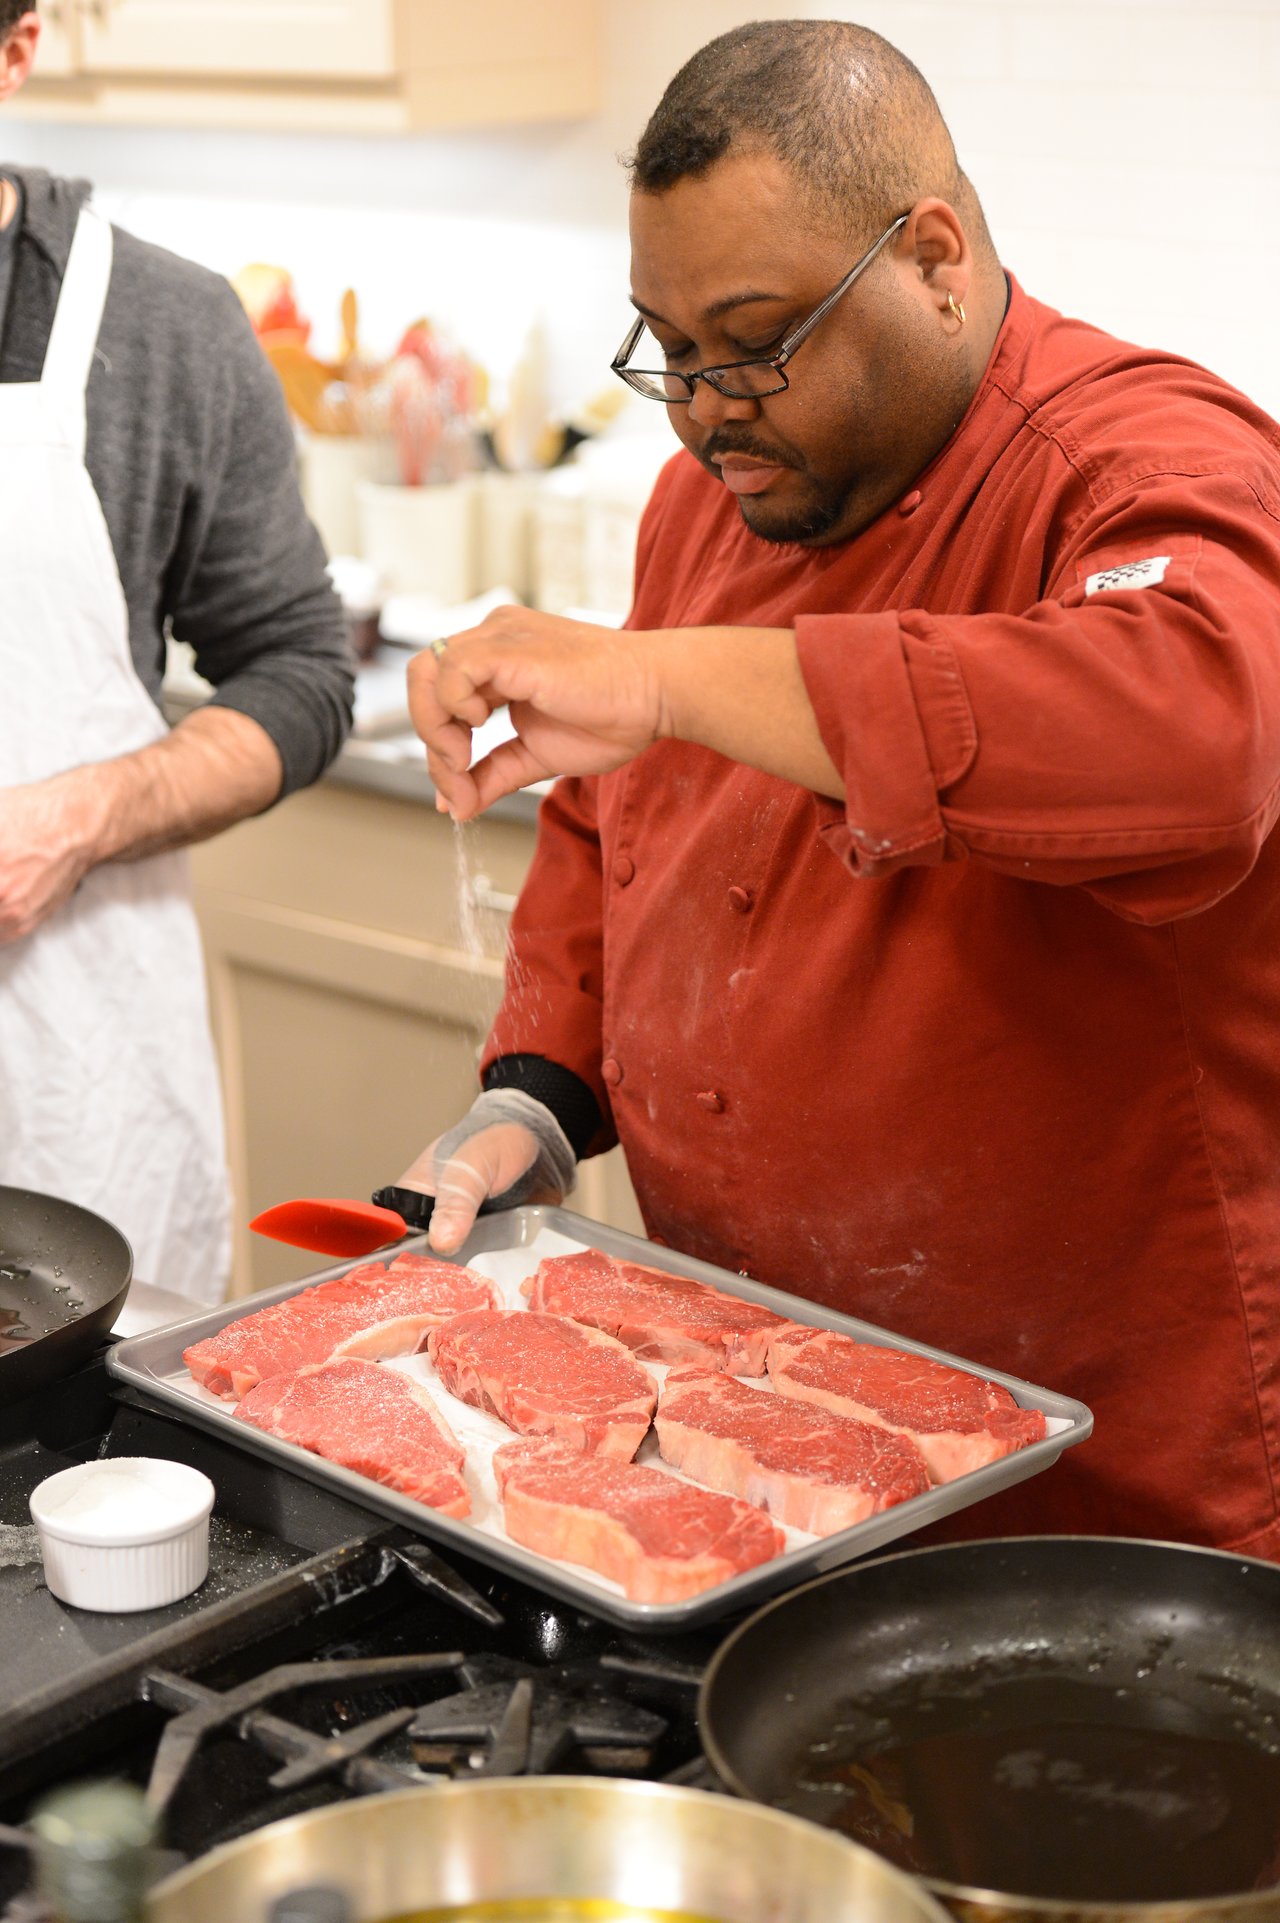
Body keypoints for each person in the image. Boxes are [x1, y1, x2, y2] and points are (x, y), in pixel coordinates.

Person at [403, 20, 1280, 1558]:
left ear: (934, 256)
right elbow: (621, 837)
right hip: (767, 1419)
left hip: (1112, 1476)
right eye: (665, 347)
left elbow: (1197, 742)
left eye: (749, 341)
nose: (699, 404)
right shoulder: (705, 502)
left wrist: (667, 677)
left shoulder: (1133, 458)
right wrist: (529, 1101)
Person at [0, 6, 354, 1301]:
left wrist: (80, 816)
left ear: (19, 47)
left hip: (68, 1091)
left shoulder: (159, 331)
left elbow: (302, 673)